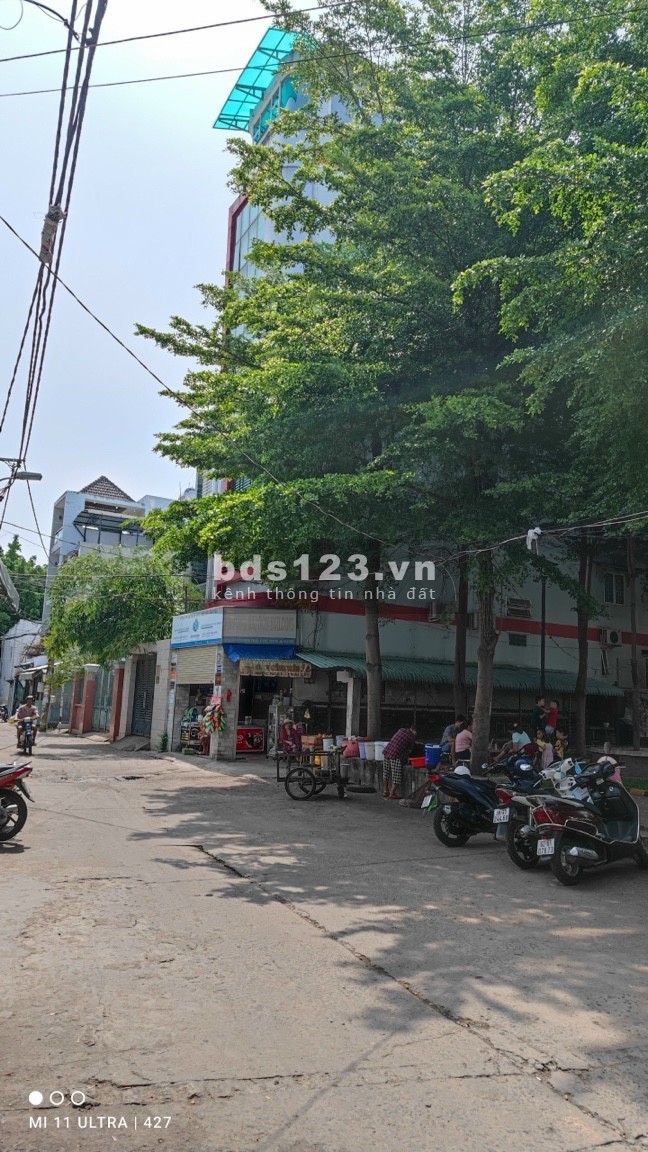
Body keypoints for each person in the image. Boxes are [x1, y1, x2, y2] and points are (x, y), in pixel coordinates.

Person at [382, 724, 417, 799]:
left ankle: (385, 791)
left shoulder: (401, 730)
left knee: (386, 773)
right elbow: (409, 751)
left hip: (387, 751)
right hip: (395, 755)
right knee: (396, 776)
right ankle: (392, 793)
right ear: (414, 731)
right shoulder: (411, 737)